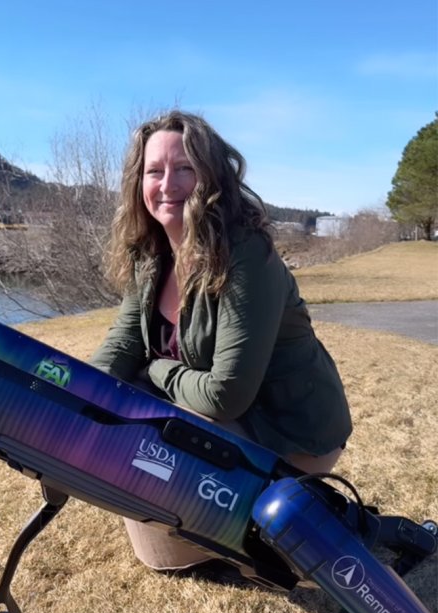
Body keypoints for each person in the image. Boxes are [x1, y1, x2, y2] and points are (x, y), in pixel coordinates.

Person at [89, 110, 352, 572]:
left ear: (211, 177)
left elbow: (223, 395)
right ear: (138, 182)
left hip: (292, 434)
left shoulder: (245, 254)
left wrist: (155, 370)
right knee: (156, 547)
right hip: (228, 420)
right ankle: (218, 537)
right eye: (154, 171)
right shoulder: (152, 256)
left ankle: (270, 528)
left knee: (154, 433)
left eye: (184, 168)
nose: (167, 183)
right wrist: (73, 397)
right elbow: (120, 348)